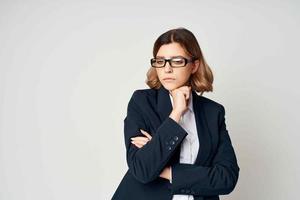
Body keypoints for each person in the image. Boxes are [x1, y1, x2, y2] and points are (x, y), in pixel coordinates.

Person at [112, 27, 240, 200]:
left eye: (177, 61)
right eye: (160, 61)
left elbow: (226, 178)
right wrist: (176, 113)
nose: (167, 69)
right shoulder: (142, 102)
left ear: (194, 65)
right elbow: (142, 170)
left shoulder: (213, 112)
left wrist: (167, 171)